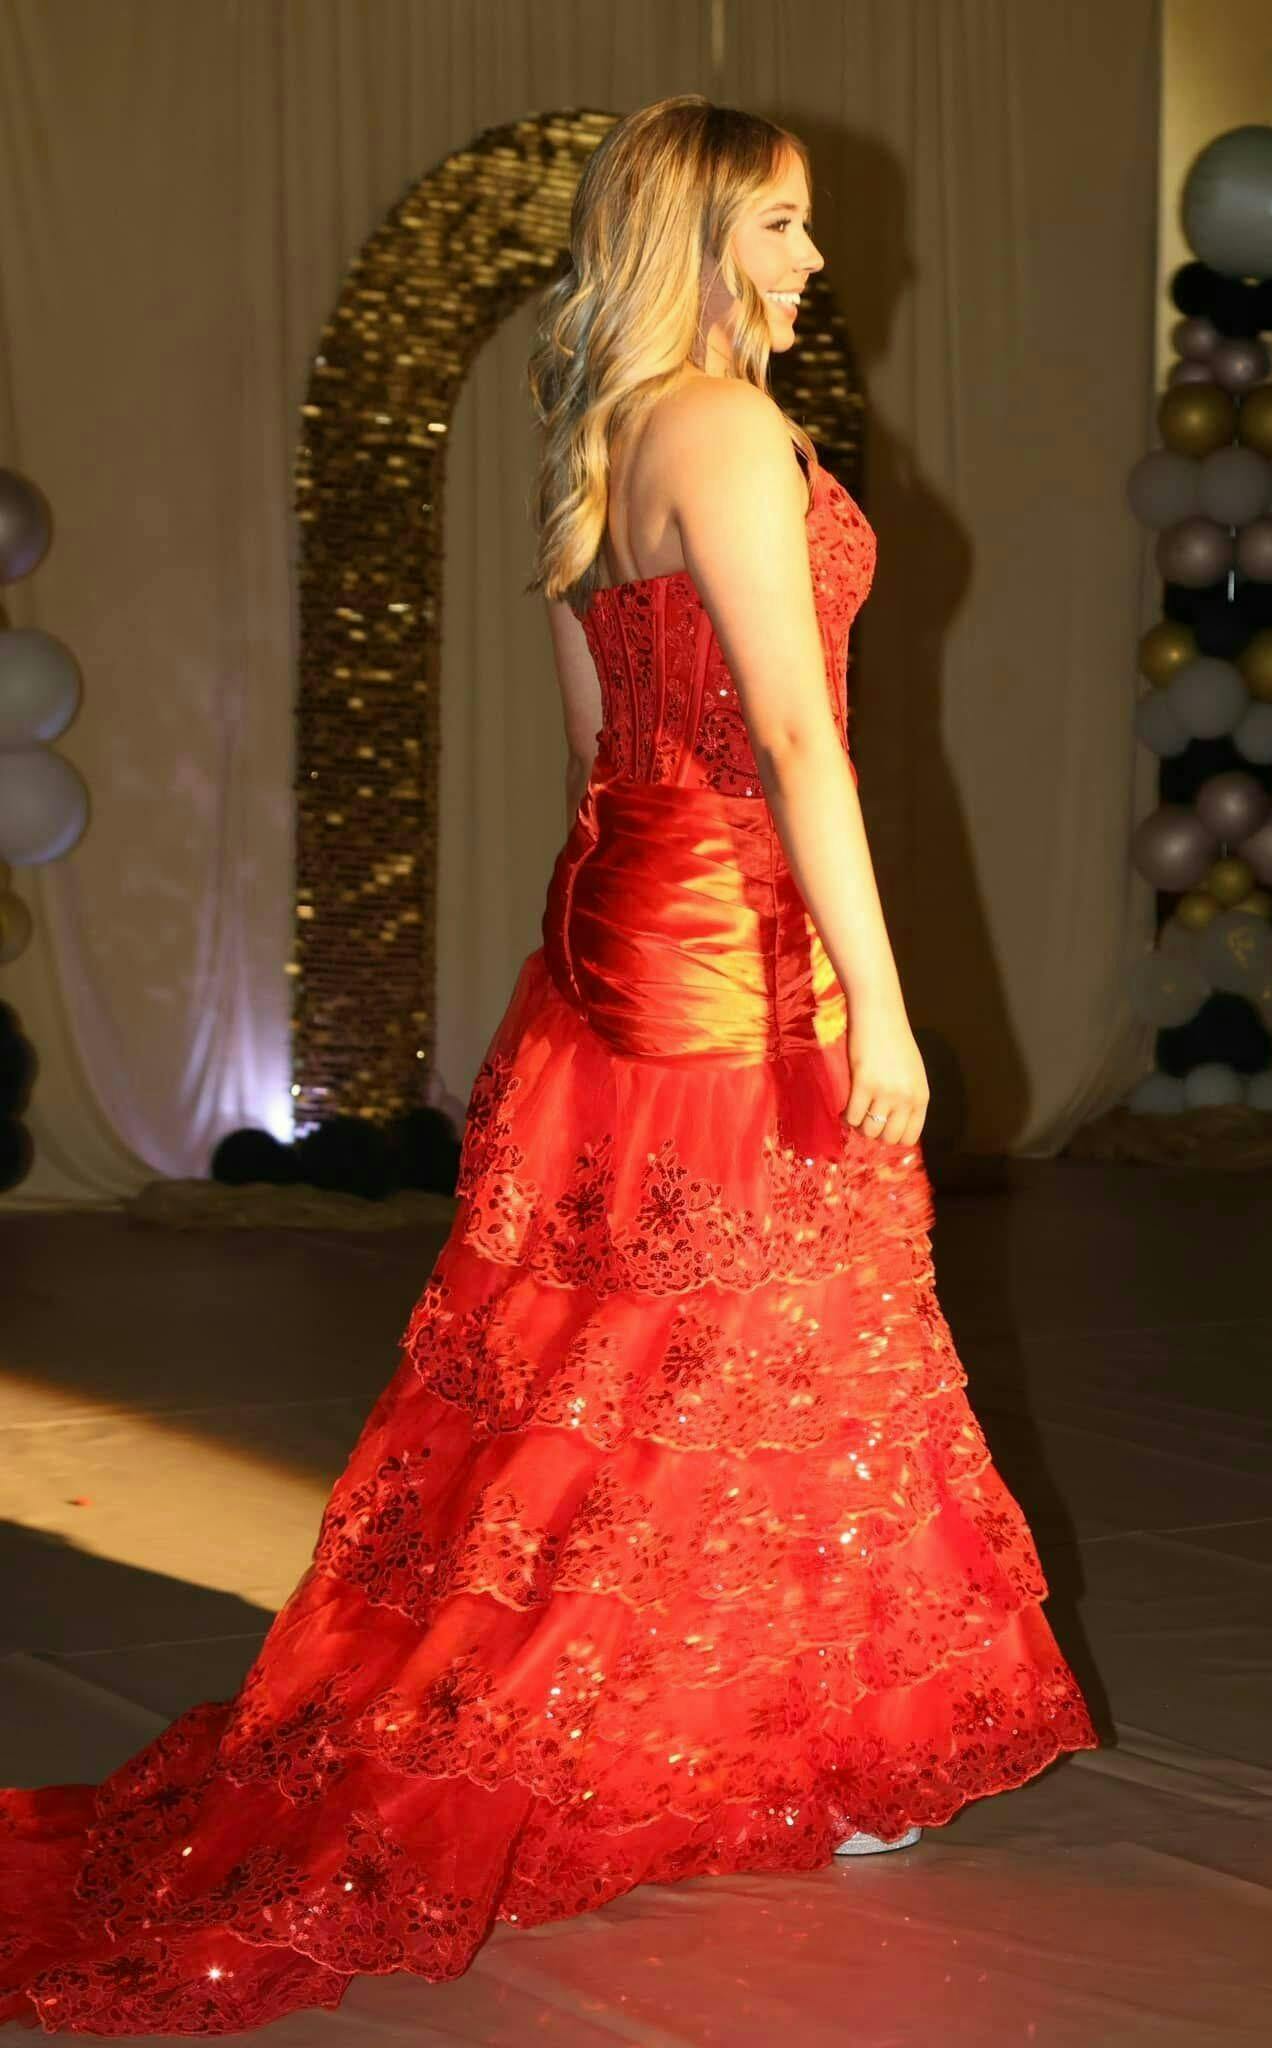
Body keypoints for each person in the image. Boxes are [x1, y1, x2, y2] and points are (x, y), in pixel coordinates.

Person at [0, 94, 1100, 2036]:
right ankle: (806, 1738)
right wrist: (878, 992)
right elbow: (794, 734)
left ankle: (784, 1720)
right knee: (770, 1326)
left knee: (655, 1342)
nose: (813, 258)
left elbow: (599, 749)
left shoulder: (599, 438)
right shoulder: (727, 430)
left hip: (626, 920)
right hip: (735, 939)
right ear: (696, 235)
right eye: (779, 224)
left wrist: (605, 953)